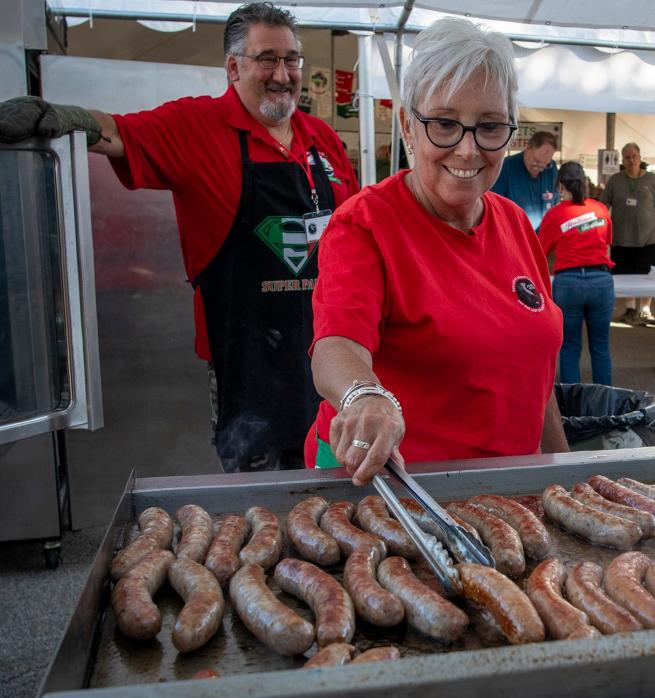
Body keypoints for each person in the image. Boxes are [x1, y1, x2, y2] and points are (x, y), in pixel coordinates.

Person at [0, 2, 359, 472]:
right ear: (233, 67)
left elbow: (355, 232)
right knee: (259, 504)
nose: (283, 73)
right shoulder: (197, 126)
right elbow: (117, 132)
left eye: (292, 59)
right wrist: (68, 117)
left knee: (334, 491)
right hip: (246, 365)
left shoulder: (323, 139)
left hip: (327, 355)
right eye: (266, 58)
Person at [305, 16, 568, 485]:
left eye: (490, 127)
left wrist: (564, 470)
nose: (468, 150)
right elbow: (336, 345)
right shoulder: (364, 224)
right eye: (444, 124)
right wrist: (365, 396)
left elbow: (536, 371)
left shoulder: (514, 222)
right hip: (399, 491)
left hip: (509, 487)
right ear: (408, 124)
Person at [539, 162, 615, 385]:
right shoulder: (600, 209)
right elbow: (607, 242)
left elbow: (540, 250)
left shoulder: (555, 215)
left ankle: (572, 407)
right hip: (601, 281)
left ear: (560, 185)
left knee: (570, 345)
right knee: (600, 345)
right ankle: (605, 405)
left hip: (569, 283)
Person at [601, 142, 655, 326]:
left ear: (640, 158)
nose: (631, 160)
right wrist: (599, 231)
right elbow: (603, 206)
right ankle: (630, 308)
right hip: (621, 238)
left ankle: (645, 310)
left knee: (648, 275)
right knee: (624, 274)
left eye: (634, 156)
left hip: (647, 239)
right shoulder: (615, 180)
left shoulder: (652, 180)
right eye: (627, 157)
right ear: (622, 160)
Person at [491, 130, 558, 230]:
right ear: (528, 147)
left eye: (546, 163)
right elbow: (493, 206)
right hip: (514, 233)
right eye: (537, 161)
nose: (541, 168)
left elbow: (555, 204)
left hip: (543, 235)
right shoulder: (506, 167)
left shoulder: (551, 168)